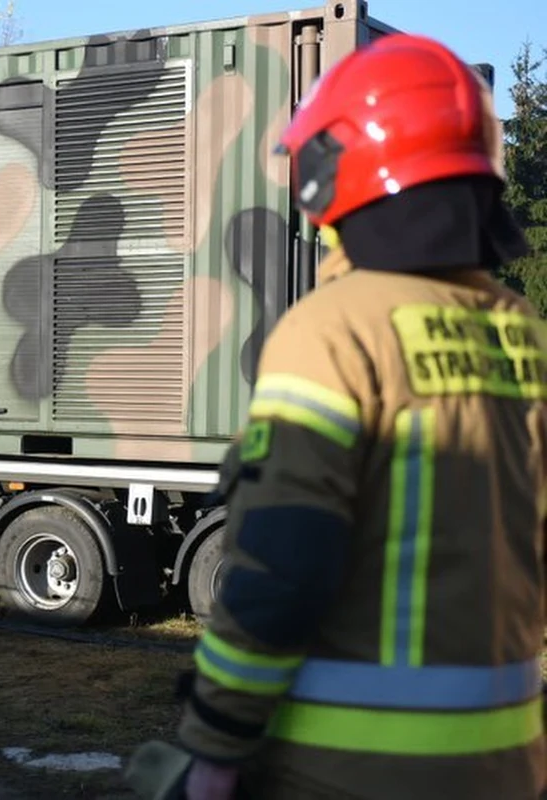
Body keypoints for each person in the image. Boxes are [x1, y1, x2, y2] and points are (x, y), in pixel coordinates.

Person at [174, 33, 547, 799]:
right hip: (511, 766)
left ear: (336, 174)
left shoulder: (335, 329)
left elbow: (282, 565)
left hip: (347, 774)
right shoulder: (524, 334)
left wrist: (215, 745)